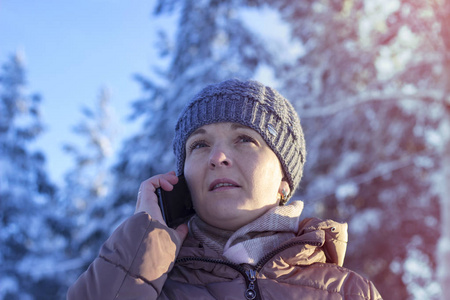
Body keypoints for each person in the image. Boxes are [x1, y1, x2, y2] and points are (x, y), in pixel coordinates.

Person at [67, 79, 382, 299]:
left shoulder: (350, 293)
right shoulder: (148, 286)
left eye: (245, 139)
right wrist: (141, 249)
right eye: (200, 145)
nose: (217, 157)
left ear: (285, 179)